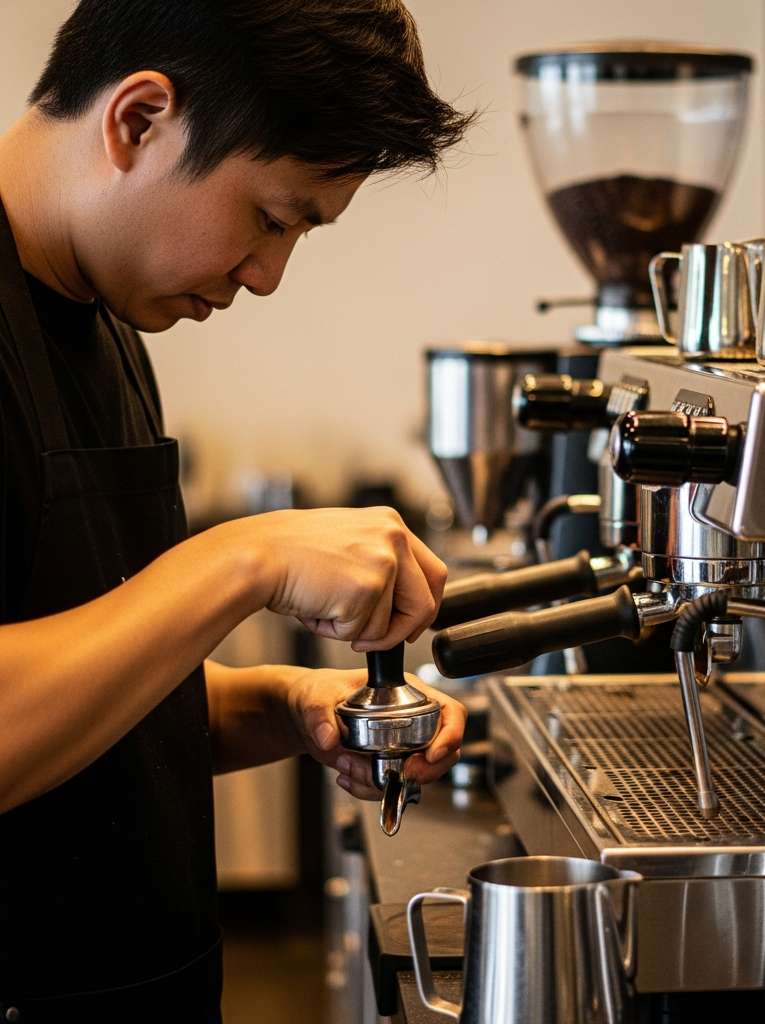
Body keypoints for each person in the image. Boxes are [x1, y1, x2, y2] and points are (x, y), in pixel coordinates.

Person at [0, 2, 474, 1021]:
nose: (266, 276)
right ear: (137, 121)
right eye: (272, 216)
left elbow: (89, 681)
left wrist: (287, 705)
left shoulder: (106, 318)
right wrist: (244, 558)